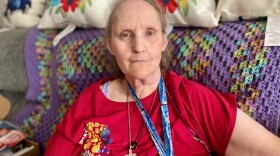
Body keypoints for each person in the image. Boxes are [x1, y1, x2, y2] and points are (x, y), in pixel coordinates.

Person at [45, 0, 280, 155]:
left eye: (149, 33)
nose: (138, 46)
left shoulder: (190, 99)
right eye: (125, 35)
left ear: (163, 41)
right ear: (110, 44)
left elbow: (269, 149)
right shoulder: (89, 102)